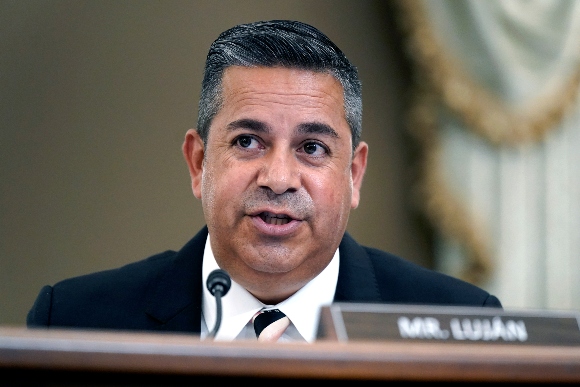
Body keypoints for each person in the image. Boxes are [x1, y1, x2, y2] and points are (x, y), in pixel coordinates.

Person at [26, 20, 502, 343]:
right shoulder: (75, 321)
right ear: (198, 162)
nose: (278, 179)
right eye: (249, 142)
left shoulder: (461, 325)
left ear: (354, 174)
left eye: (311, 148)